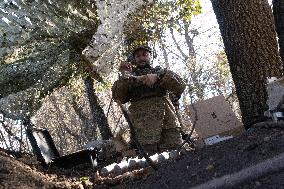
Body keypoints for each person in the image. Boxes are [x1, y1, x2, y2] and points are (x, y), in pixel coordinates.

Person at [112, 45, 186, 154]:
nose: (141, 58)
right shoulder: (129, 78)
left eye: (144, 55)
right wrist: (124, 77)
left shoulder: (160, 72)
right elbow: (118, 98)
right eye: (138, 56)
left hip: (167, 125)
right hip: (143, 130)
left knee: (177, 155)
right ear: (134, 59)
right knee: (151, 161)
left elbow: (180, 86)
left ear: (150, 56)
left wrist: (158, 77)